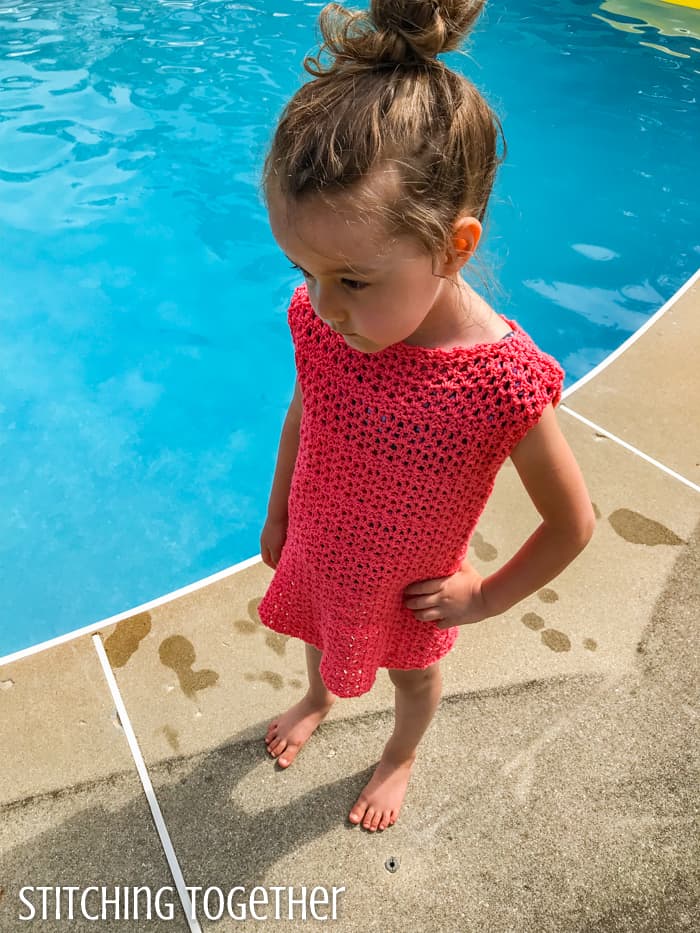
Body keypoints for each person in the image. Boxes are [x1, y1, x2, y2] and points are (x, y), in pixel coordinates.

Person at [257, 0, 595, 833]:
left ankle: (401, 753)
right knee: (317, 626)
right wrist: (279, 512)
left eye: (353, 281)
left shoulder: (500, 381)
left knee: (411, 677)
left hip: (409, 591)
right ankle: (316, 696)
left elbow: (572, 522)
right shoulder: (319, 319)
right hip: (324, 543)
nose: (322, 304)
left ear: (454, 247)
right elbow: (307, 407)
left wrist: (484, 596)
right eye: (304, 271)